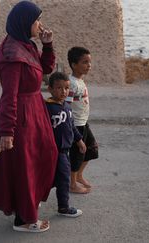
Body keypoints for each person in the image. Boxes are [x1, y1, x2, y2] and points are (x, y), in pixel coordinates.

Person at [0, 1, 58, 233]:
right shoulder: (12, 56)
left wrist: (48, 45)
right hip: (21, 117)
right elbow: (9, 96)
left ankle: (26, 207)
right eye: (36, 20)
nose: (40, 24)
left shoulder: (26, 45)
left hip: (34, 112)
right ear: (24, 23)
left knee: (43, 157)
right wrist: (7, 131)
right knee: (26, 167)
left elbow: (46, 69)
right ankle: (25, 219)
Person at [45, 72, 87, 217]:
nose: (63, 91)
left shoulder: (67, 106)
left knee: (62, 179)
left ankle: (62, 206)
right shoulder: (46, 108)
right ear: (50, 89)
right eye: (59, 88)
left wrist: (79, 140)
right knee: (48, 179)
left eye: (66, 88)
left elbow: (71, 126)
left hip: (64, 152)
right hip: (50, 152)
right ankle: (61, 207)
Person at [66, 46, 99, 194]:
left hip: (83, 122)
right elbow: (66, 105)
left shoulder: (79, 81)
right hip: (76, 125)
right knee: (77, 154)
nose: (89, 66)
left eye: (89, 62)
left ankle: (79, 175)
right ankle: (72, 183)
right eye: (85, 62)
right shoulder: (72, 83)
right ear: (74, 64)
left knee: (91, 148)